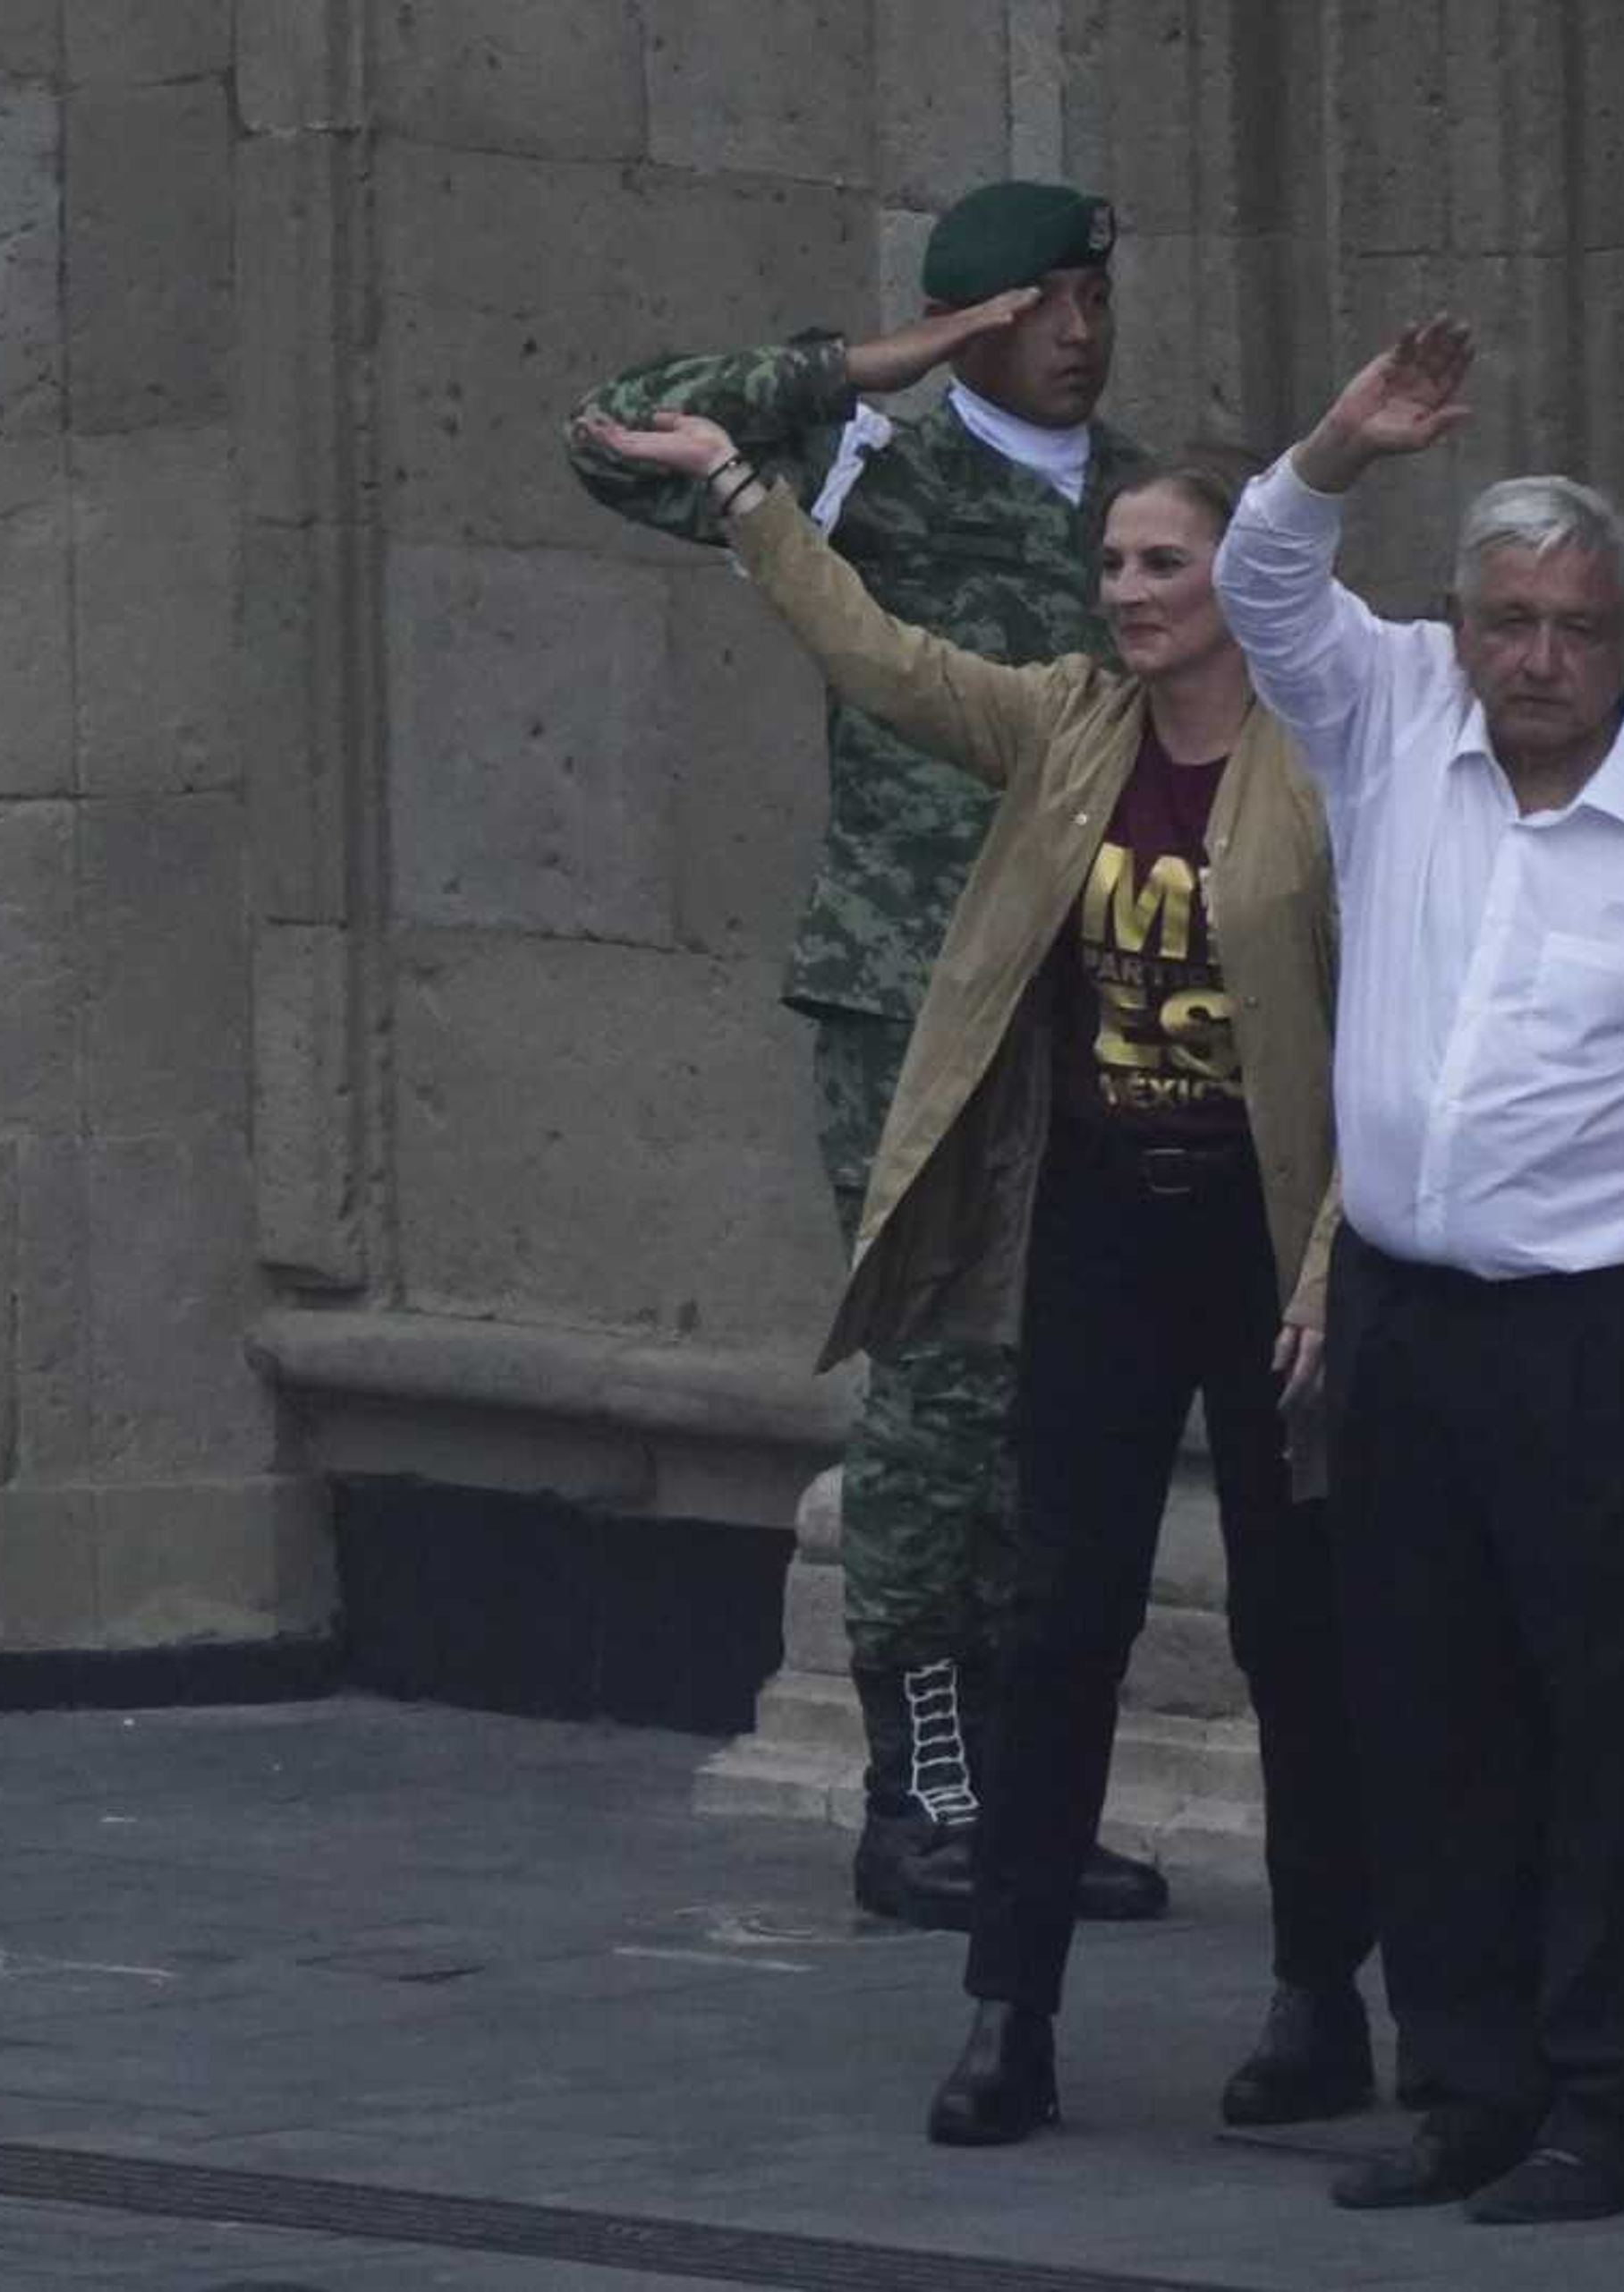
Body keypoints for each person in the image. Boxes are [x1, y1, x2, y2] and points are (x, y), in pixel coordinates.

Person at [577, 381, 1379, 2150]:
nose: (1124, 589)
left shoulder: (1325, 765)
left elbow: (1385, 1040)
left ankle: (1325, 1995)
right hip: (1104, 1228)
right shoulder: (1072, 727)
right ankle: (1009, 2011)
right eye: (1111, 561)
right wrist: (739, 494)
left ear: (1241, 577)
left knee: (1292, 1628)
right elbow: (882, 661)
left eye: (1159, 561)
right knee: (1062, 1615)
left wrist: (1330, 1261)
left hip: (1266, 1245)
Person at [1213, 318, 1624, 2225]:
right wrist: (1345, 440)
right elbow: (1254, 578)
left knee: (1611, 1738)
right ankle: (1464, 2082)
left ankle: (1615, 2102)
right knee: (1425, 1707)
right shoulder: (1388, 719)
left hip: (1601, 1329)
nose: (1538, 661)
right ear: (1458, 630)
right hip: (1401, 1313)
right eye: (1508, 623)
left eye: (1576, 628)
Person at [564, 178, 1163, 1930]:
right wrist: (868, 361)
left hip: (1101, 1002)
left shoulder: (1143, 500)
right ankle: (926, 1801)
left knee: (1066, 1404)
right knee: (946, 1388)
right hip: (913, 996)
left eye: (1090, 298)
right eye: (1039, 303)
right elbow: (610, 433)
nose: (1076, 328)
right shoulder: (870, 474)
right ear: (975, 321)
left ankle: (1036, 1796)